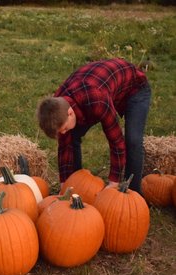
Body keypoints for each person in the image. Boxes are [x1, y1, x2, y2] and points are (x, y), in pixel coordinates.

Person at [37, 58, 151, 195]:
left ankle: (133, 193)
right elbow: (64, 147)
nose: (64, 132)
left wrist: (113, 183)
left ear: (70, 113)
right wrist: (65, 185)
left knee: (132, 140)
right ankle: (76, 186)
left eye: (65, 128)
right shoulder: (57, 106)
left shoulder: (96, 99)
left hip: (135, 88)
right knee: (71, 137)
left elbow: (116, 141)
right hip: (104, 87)